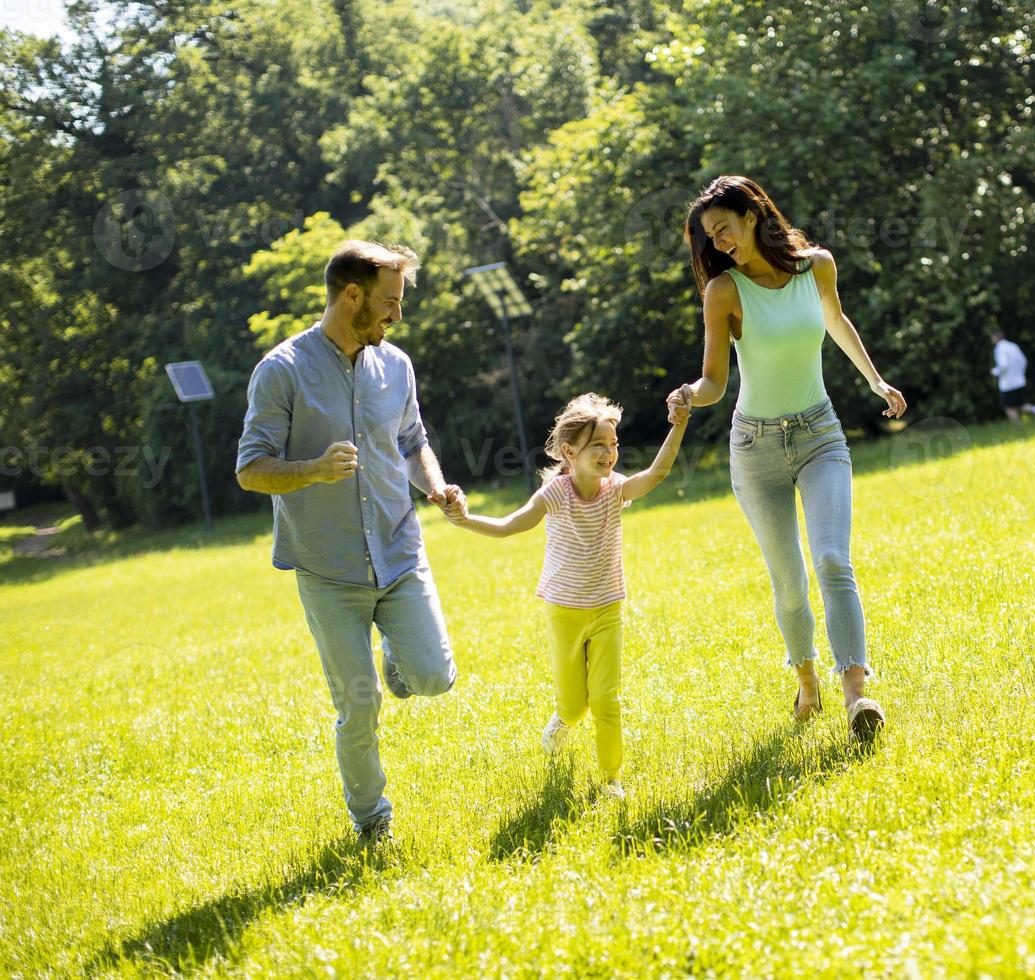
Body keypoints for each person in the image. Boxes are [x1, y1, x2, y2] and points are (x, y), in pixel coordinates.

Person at [236, 240, 463, 846]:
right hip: (328, 570)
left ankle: (399, 658)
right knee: (358, 707)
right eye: (389, 302)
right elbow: (250, 468)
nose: (396, 315)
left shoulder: (398, 366)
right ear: (352, 295)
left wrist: (437, 487)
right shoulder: (281, 370)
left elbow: (414, 442)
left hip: (398, 553)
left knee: (434, 677)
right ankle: (372, 817)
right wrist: (312, 468)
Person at [666, 174, 906, 743]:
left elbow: (835, 321)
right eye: (709, 237)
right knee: (790, 582)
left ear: (751, 215)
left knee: (831, 559)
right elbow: (715, 381)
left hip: (820, 432)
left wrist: (874, 380)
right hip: (755, 448)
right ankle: (806, 679)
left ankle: (856, 693)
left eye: (724, 228)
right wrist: (687, 395)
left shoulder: (816, 266)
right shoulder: (724, 292)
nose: (719, 242)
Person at [445, 393, 690, 800]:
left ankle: (612, 779)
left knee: (607, 699)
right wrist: (465, 519)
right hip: (564, 612)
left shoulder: (616, 491)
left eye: (613, 444)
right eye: (598, 445)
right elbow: (509, 526)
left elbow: (659, 473)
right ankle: (562, 722)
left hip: (608, 609)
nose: (609, 453)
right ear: (569, 452)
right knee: (576, 707)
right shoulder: (556, 494)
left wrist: (678, 424)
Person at [990, 329, 1035, 424]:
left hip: (1008, 384)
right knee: (1019, 405)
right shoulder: (1012, 345)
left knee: (1009, 407)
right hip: (1019, 381)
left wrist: (994, 372)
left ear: (995, 337)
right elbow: (1023, 361)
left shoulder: (1000, 348)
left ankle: (1018, 428)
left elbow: (1003, 366)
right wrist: (1019, 374)